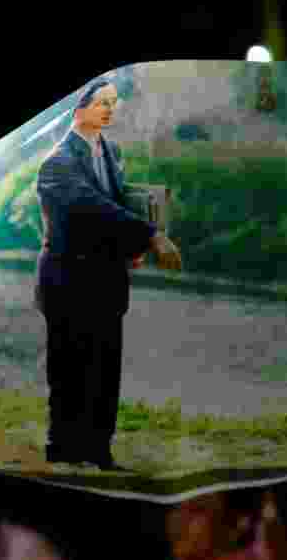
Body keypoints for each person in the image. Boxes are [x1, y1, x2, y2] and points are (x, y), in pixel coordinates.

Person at [35, 79, 182, 469]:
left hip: (106, 280)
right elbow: (91, 207)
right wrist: (151, 235)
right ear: (77, 109)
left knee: (105, 368)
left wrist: (131, 247)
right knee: (68, 370)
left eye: (113, 103)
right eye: (101, 102)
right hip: (67, 281)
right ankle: (63, 449)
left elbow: (116, 205)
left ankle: (99, 451)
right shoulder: (57, 162)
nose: (109, 109)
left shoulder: (111, 152)